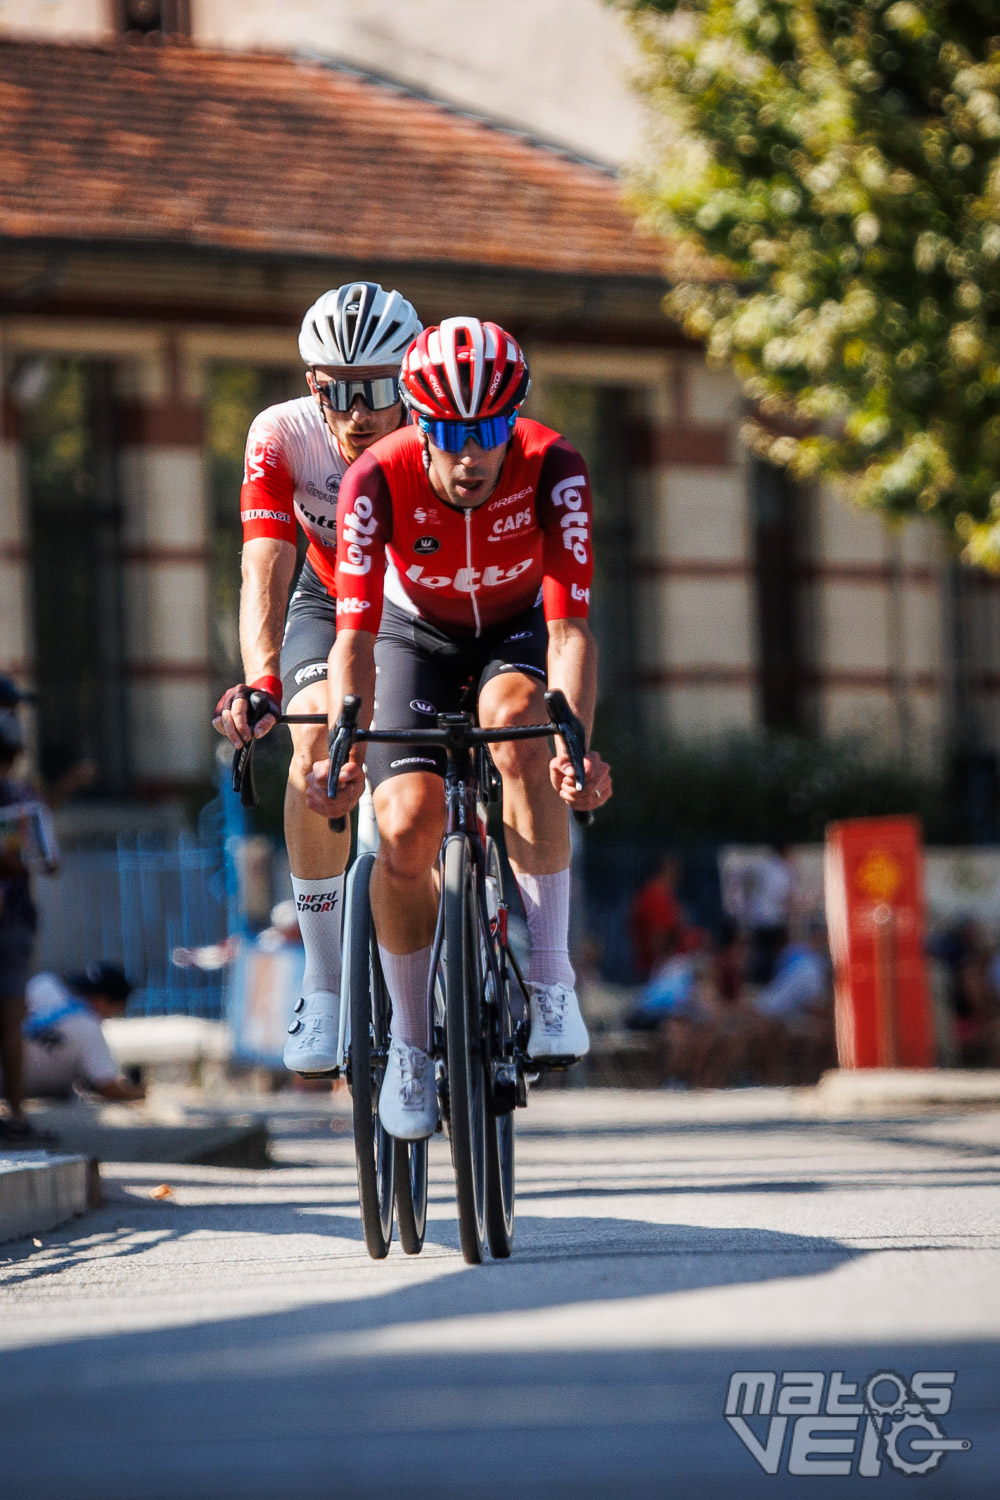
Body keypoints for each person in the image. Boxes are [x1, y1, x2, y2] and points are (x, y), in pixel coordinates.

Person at [307, 317, 612, 1140]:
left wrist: (574, 747)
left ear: (513, 419)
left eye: (487, 431)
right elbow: (355, 638)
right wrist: (342, 738)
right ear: (417, 422)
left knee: (519, 725)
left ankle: (550, 981)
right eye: (447, 433)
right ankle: (409, 1043)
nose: (470, 455)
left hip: (515, 633)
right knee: (405, 824)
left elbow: (570, 632)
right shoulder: (376, 478)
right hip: (415, 639)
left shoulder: (556, 469)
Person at [212, 282, 422, 1076]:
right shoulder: (283, 434)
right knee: (312, 751)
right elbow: (264, 562)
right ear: (314, 387)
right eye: (340, 390)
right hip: (330, 597)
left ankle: (477, 900)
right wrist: (260, 677)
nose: (360, 410)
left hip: (418, 603)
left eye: (378, 389)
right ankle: (327, 984)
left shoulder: (443, 433)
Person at [10, 963, 145, 1104]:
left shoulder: (44, 984)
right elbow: (109, 1089)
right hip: (11, 1087)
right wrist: (141, 1092)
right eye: (118, 1008)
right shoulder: (89, 1028)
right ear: (103, 1001)